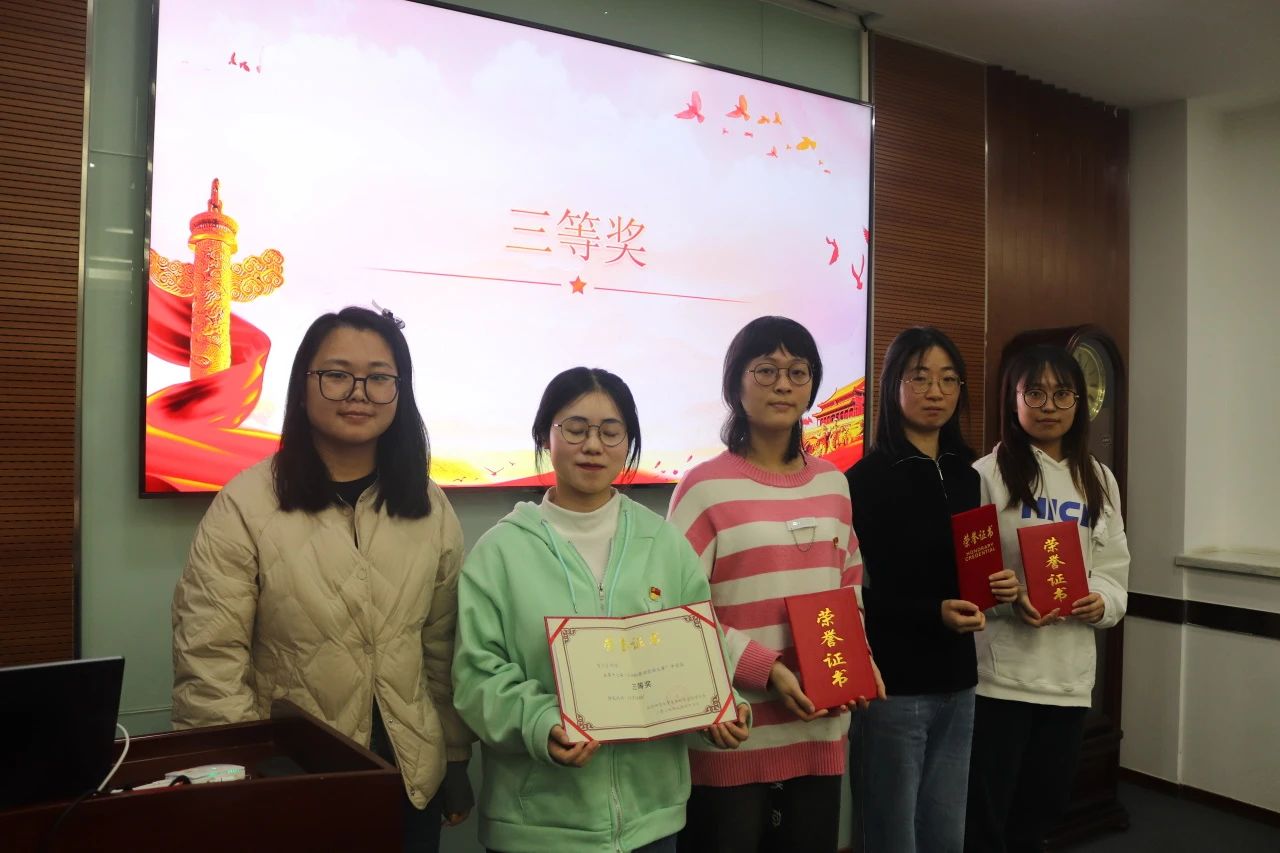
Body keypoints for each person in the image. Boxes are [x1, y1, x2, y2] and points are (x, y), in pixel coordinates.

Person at [172, 307, 473, 852]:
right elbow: (210, 660)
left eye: (379, 378)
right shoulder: (246, 504)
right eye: (336, 374)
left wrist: (452, 756)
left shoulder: (427, 505)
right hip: (292, 779)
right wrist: (239, 776)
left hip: (408, 778)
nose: (358, 393)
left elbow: (442, 647)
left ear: (400, 391)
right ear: (303, 385)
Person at [452, 367, 748, 853]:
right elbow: (475, 677)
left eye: (611, 432)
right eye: (575, 428)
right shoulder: (498, 553)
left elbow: (702, 647)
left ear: (628, 443)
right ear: (545, 436)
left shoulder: (664, 544)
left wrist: (721, 704)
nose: (593, 445)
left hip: (652, 823)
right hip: (536, 828)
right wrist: (541, 722)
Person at [668, 316, 882, 853]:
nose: (783, 385)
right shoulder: (703, 488)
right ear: (735, 384)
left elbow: (849, 587)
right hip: (735, 732)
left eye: (797, 371)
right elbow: (678, 613)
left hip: (819, 727)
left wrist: (860, 655)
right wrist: (764, 669)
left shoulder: (833, 483)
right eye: (765, 370)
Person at [846, 326, 1018, 853]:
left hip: (960, 681)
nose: (936, 392)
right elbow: (852, 595)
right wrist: (931, 613)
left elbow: (971, 569)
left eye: (948, 380)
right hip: (894, 686)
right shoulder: (863, 480)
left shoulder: (969, 476)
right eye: (919, 378)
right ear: (893, 385)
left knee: (946, 833)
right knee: (892, 834)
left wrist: (998, 586)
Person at [965, 344, 1129, 853]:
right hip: (1000, 679)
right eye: (1034, 393)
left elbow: (1113, 569)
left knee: (1042, 811)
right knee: (986, 817)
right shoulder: (985, 475)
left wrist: (1101, 602)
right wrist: (1007, 598)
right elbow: (970, 578)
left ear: (1079, 402)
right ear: (1013, 400)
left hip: (1068, 678)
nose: (1049, 405)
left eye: (1062, 394)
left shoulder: (1098, 478)